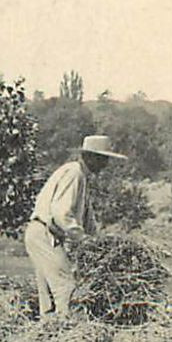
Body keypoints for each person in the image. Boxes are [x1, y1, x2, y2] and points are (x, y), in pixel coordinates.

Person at [26, 134, 127, 319]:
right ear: (90, 157)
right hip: (44, 233)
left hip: (40, 233)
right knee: (66, 287)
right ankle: (67, 332)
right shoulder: (75, 173)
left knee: (48, 292)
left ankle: (48, 332)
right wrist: (82, 239)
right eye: (103, 159)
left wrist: (97, 241)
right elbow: (61, 213)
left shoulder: (80, 176)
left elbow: (87, 219)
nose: (105, 164)